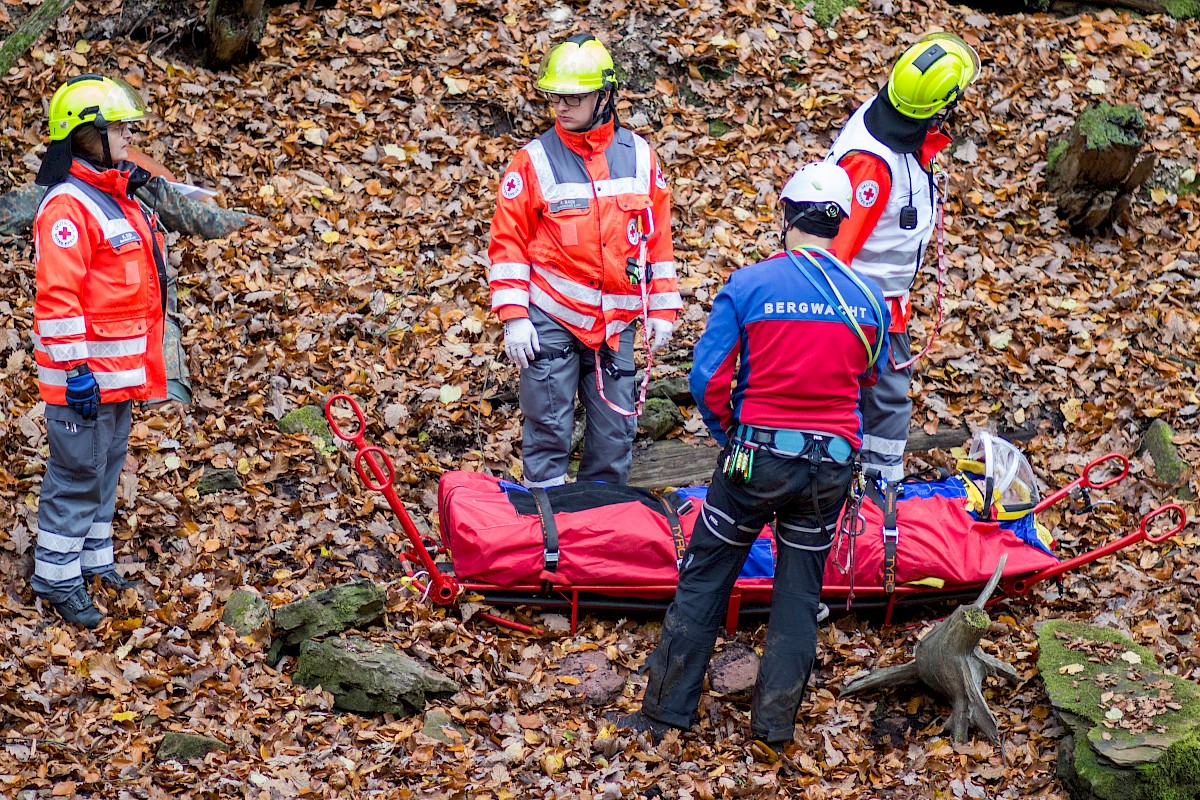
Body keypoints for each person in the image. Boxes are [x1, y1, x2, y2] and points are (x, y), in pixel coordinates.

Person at [611, 163, 890, 757]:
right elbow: (866, 382)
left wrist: (729, 432)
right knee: (798, 596)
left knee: (706, 578)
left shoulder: (750, 285)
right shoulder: (870, 299)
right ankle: (774, 728)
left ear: (787, 215)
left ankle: (666, 715)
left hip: (755, 462)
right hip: (830, 469)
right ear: (839, 223)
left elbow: (709, 377)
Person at [487, 33, 680, 487]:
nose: (561, 106)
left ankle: (601, 525)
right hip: (551, 315)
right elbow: (507, 243)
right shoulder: (533, 161)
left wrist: (665, 308)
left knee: (615, 435)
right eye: (556, 96)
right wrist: (515, 316)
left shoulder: (639, 157)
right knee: (548, 429)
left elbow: (658, 239)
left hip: (617, 322)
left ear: (605, 96)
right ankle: (546, 532)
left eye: (574, 97)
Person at [29, 74, 169, 628]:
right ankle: (56, 577)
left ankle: (92, 560)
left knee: (106, 465)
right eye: (118, 128)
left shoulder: (113, 196)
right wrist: (76, 371)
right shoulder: (68, 207)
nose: (127, 136)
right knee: (77, 472)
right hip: (84, 376)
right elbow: (58, 297)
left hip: (117, 372)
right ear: (88, 135)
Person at [827, 32, 980, 482]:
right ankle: (876, 494)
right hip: (860, 313)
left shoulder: (898, 128)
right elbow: (835, 252)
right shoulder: (873, 166)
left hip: (881, 305)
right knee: (884, 407)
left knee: (881, 404)